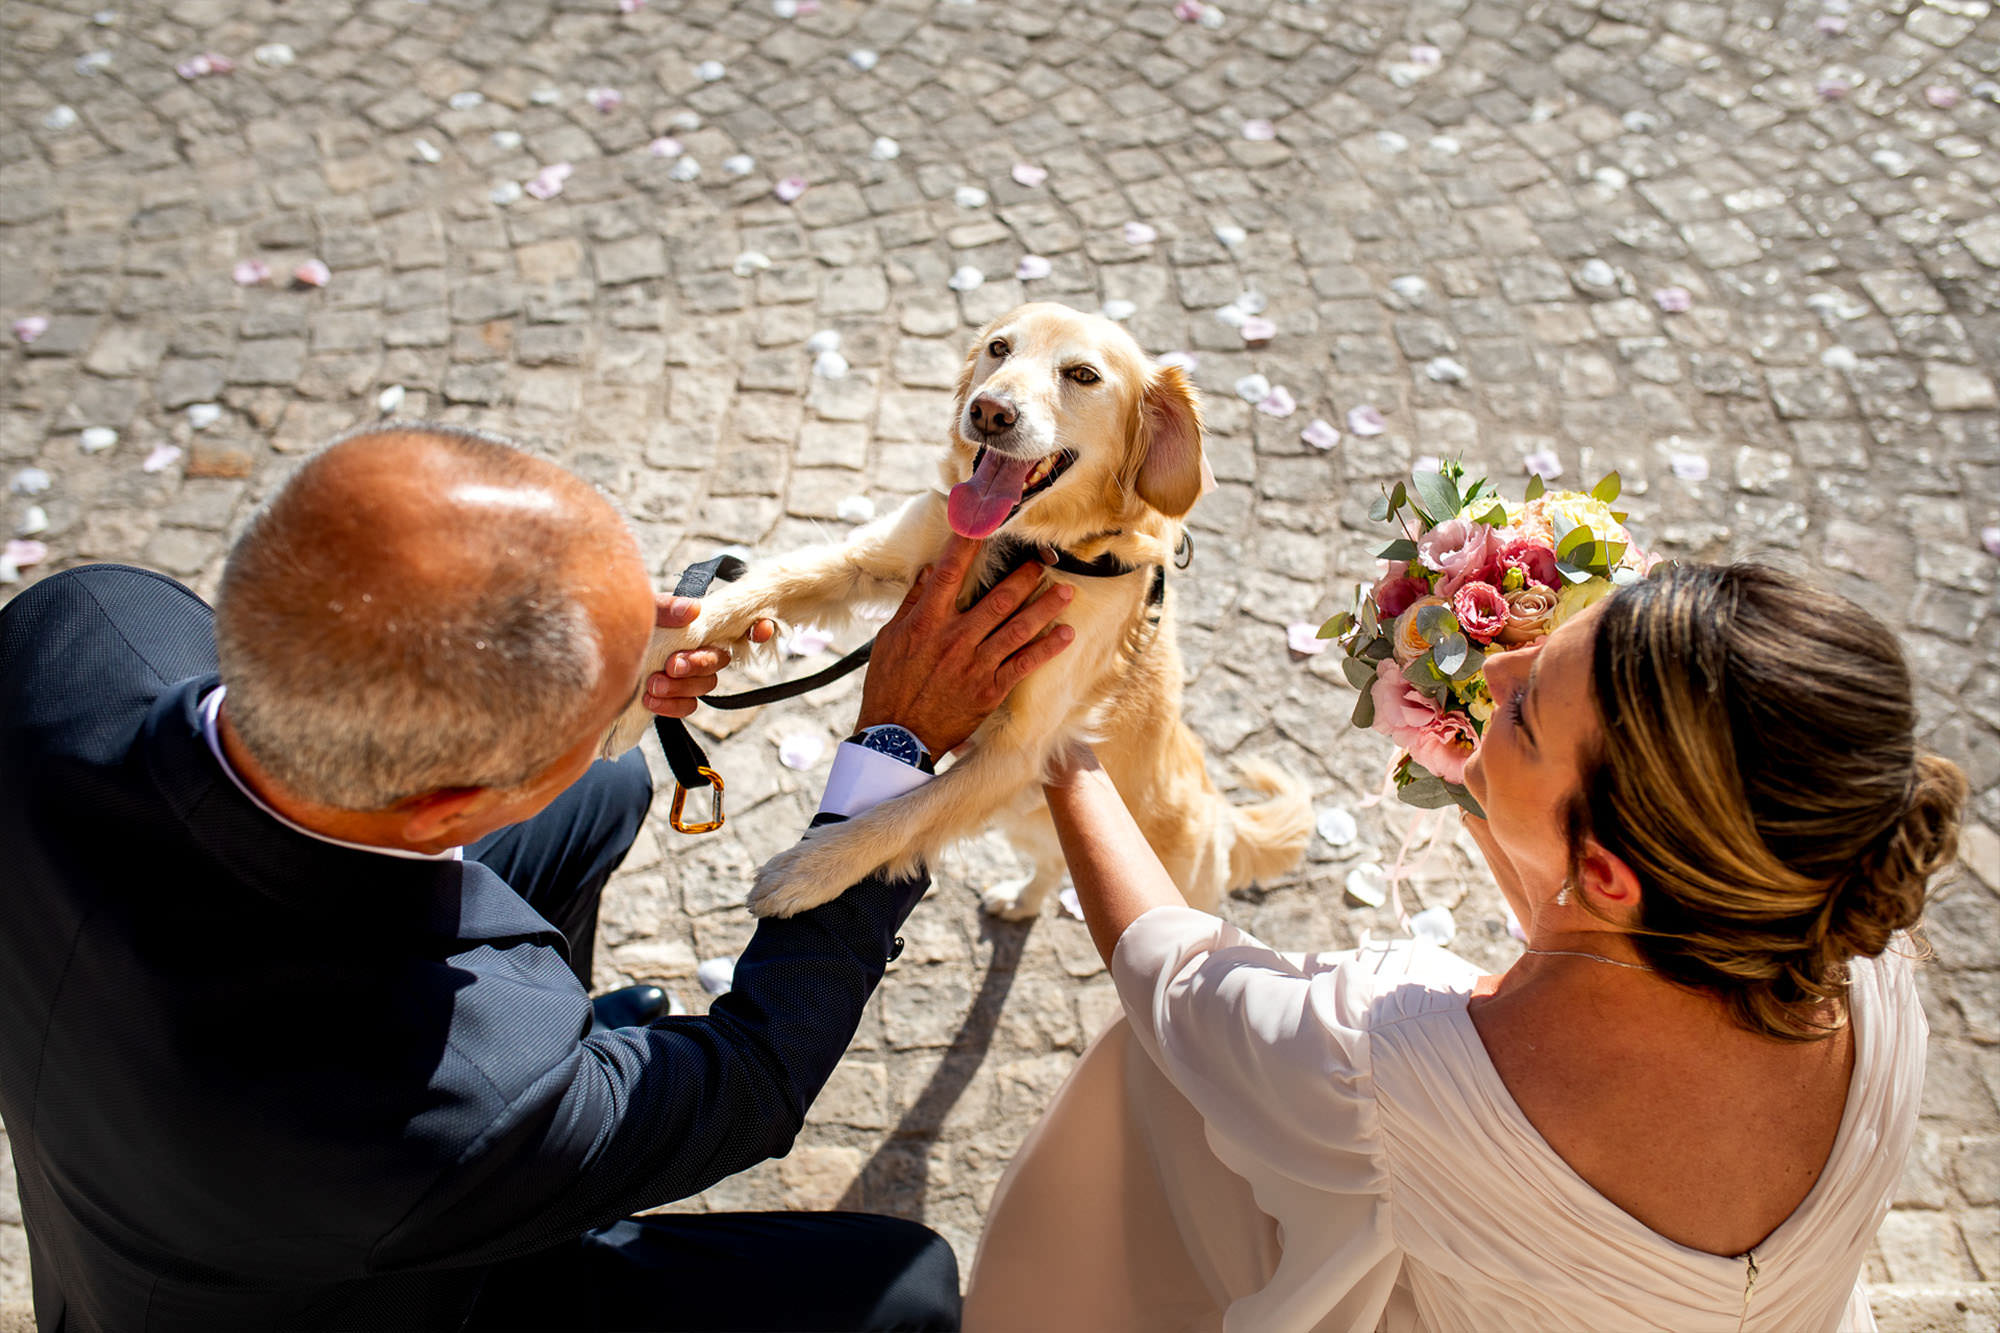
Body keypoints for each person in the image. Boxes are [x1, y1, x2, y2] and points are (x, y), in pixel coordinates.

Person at [0, 423, 1072, 1332]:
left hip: (138, 1127)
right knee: (906, 1287)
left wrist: (606, 660)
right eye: (591, 715)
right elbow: (752, 1080)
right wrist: (888, 750)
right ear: (449, 810)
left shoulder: (83, 629)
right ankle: (572, 1156)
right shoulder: (451, 1101)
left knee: (596, 799)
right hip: (362, 1288)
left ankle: (574, 1124)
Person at [964, 563, 1966, 1332]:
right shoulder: (1848, 934)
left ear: (1609, 872)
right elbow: (1606, 941)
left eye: (1524, 713)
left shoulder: (1391, 1071)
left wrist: (1060, 746)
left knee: (1145, 1077)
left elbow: (1170, 970)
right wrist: (1485, 775)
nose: (1492, 667)